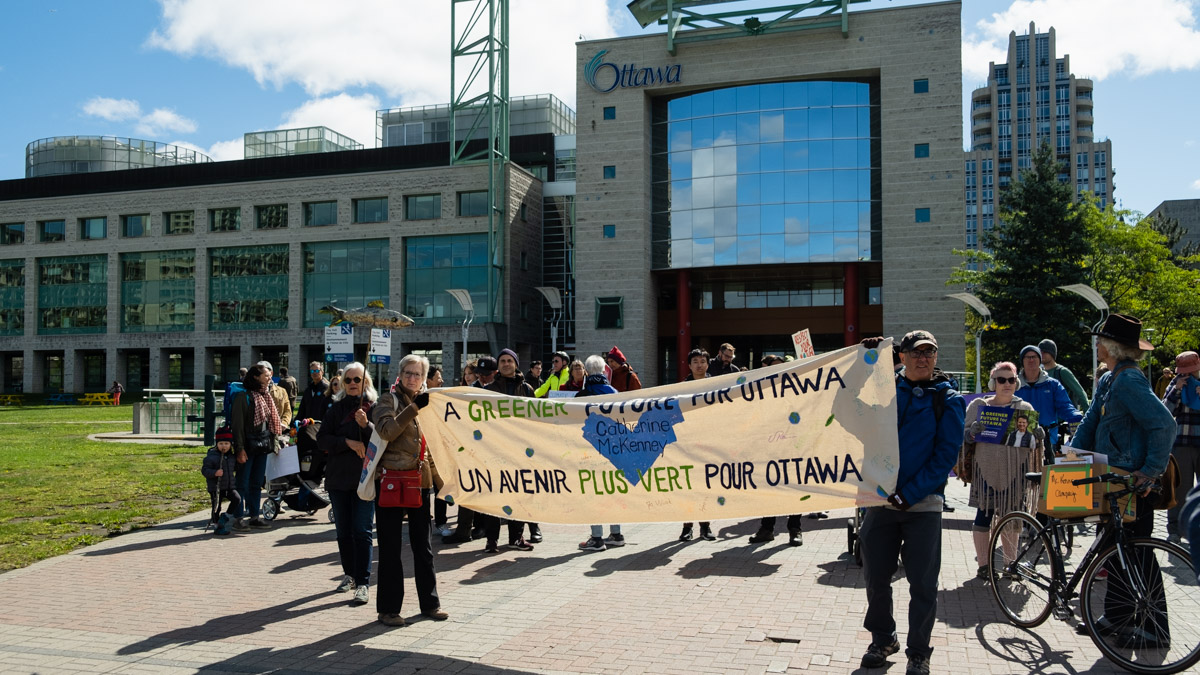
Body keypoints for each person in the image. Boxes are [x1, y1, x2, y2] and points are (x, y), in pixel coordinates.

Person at [858, 330, 964, 675]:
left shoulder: (946, 398)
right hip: (880, 503)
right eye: (916, 353)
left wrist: (910, 494)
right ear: (900, 356)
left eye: (930, 353)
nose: (923, 358)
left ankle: (919, 652)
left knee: (922, 584)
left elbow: (945, 455)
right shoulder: (884, 389)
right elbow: (845, 410)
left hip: (924, 507)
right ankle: (883, 639)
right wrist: (865, 362)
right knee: (876, 578)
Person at [1070, 314, 1176, 648]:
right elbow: (1089, 422)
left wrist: (1150, 471)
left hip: (1133, 480)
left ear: (1113, 346)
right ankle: (1117, 616)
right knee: (1112, 547)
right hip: (1110, 476)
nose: (1097, 345)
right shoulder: (1109, 380)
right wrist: (1069, 459)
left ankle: (1154, 628)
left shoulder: (1129, 380)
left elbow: (1165, 425)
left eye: (1100, 340)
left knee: (1137, 551)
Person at [369, 354, 449, 626]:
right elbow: (387, 431)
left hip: (420, 482)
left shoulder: (428, 404)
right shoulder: (386, 401)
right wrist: (413, 408)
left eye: (418, 374)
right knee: (390, 549)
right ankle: (389, 610)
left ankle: (431, 604)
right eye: (408, 373)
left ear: (424, 378)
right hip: (392, 482)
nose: (413, 378)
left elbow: (430, 450)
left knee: (423, 548)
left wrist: (442, 484)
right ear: (400, 375)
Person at [958, 361, 1043, 579]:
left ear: (1017, 382)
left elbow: (1032, 442)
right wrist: (971, 432)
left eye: (1011, 380)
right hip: (984, 469)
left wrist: (1038, 436)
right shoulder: (978, 406)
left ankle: (1010, 564)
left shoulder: (1024, 409)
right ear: (993, 382)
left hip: (1015, 470)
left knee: (1012, 517)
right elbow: (964, 436)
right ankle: (984, 566)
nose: (1007, 384)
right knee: (983, 516)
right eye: (1001, 380)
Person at [317, 362, 377, 606]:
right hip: (338, 479)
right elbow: (322, 440)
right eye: (349, 380)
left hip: (364, 480)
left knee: (362, 531)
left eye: (357, 380)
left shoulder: (373, 408)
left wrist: (366, 426)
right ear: (343, 384)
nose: (353, 384)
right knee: (343, 531)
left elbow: (383, 440)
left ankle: (363, 582)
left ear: (366, 383)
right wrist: (348, 443)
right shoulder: (335, 410)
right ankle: (350, 575)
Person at [481, 349, 540, 551]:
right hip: (495, 450)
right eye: (502, 361)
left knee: (519, 493)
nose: (506, 364)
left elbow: (536, 420)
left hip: (520, 450)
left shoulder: (527, 389)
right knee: (494, 495)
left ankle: (516, 537)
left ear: (515, 364)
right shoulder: (488, 390)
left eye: (509, 360)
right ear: (498, 365)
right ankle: (492, 539)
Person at [749, 353, 805, 546]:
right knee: (769, 488)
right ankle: (767, 529)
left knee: (794, 487)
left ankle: (795, 529)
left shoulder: (796, 391)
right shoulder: (760, 393)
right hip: (768, 448)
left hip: (791, 446)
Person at [575, 355, 626, 551]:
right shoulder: (615, 393)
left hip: (590, 450)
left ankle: (596, 538)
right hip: (613, 450)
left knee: (593, 492)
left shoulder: (583, 395)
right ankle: (616, 533)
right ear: (605, 371)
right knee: (613, 491)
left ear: (587, 372)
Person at [230, 364, 283, 532]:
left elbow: (270, 422)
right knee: (242, 482)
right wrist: (239, 448)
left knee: (256, 483)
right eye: (266, 376)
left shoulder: (265, 396)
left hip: (262, 445)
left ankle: (254, 516)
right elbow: (237, 426)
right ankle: (238, 518)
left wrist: (274, 442)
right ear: (255, 377)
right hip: (247, 446)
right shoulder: (243, 397)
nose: (269, 378)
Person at [1163, 351, 1200, 544]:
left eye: (1190, 371)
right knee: (1179, 489)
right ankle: (1175, 530)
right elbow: (1165, 412)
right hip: (1182, 443)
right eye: (1183, 371)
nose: (1186, 375)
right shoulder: (1175, 383)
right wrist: (1176, 390)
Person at [679, 348, 715, 542]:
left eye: (703, 361)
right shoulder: (683, 388)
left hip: (709, 441)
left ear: (708, 364)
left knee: (706, 484)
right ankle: (686, 526)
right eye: (696, 361)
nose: (699, 364)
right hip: (688, 441)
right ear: (689, 365)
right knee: (688, 484)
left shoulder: (716, 385)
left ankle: (706, 526)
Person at [1016, 345, 1081, 447]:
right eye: (1028, 357)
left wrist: (1076, 417)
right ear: (1022, 361)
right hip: (1020, 440)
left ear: (1040, 360)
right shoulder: (1013, 385)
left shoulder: (1053, 385)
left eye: (1034, 357)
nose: (1031, 360)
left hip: (1048, 439)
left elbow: (1064, 406)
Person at [425, 366, 451, 538]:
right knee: (425, 490)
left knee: (441, 488)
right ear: (428, 380)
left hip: (439, 451)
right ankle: (426, 525)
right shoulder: (418, 398)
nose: (441, 380)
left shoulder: (442, 398)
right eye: (438, 377)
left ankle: (441, 522)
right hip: (423, 452)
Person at [201, 426, 241, 531]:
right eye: (221, 444)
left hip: (229, 486)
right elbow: (205, 470)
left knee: (237, 499)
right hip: (216, 487)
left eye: (226, 444)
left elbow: (235, 467)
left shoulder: (231, 457)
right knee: (216, 507)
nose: (224, 446)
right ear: (217, 444)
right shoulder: (211, 457)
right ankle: (216, 525)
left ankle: (226, 516)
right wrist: (215, 473)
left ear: (230, 444)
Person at [1038, 339, 1089, 411]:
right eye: (1040, 352)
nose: (1042, 354)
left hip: (1063, 419)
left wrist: (1088, 417)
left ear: (1052, 353)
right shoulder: (1038, 373)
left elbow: (1081, 393)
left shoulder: (1062, 372)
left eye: (1045, 352)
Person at [256, 361, 294, 428]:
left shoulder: (281, 391)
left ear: (271, 373)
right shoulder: (251, 392)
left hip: (276, 430)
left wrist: (284, 422)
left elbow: (287, 410)